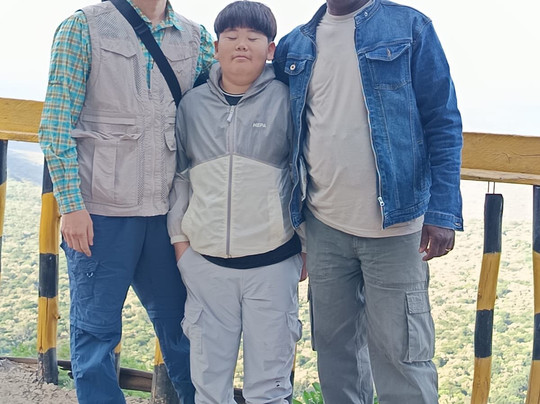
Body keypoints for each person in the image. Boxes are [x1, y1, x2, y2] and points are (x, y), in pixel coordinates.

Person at [273, 0, 463, 403]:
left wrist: (443, 210)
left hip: (396, 228)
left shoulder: (409, 27)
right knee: (335, 355)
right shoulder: (296, 44)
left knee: (402, 356)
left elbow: (442, 120)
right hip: (323, 225)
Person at [38, 0, 214, 402]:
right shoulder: (83, 28)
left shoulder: (196, 37)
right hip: (100, 213)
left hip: (169, 214)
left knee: (186, 328)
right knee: (96, 334)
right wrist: (72, 207)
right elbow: (55, 126)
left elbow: (219, 97)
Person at [167, 1, 304, 402]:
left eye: (253, 37)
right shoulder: (192, 105)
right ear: (216, 47)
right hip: (206, 267)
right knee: (209, 385)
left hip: (274, 265)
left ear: (270, 49)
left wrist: (306, 248)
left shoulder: (288, 101)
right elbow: (180, 177)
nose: (241, 44)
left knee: (270, 385)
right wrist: (181, 247)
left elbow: (304, 176)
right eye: (231, 36)